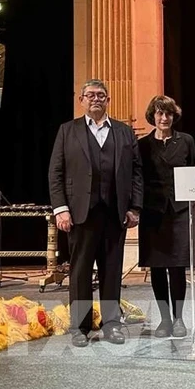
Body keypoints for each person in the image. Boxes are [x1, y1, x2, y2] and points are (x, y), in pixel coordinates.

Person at [48, 79, 143, 347]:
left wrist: (135, 207)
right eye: (90, 95)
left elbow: (136, 173)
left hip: (115, 213)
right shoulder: (68, 131)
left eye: (101, 95)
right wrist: (61, 209)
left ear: (108, 100)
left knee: (112, 270)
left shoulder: (124, 132)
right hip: (80, 214)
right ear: (81, 100)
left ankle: (112, 323)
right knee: (80, 271)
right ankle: (80, 326)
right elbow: (56, 172)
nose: (96, 99)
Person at [138, 95, 195, 338]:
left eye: (168, 114)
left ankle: (180, 319)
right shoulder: (141, 145)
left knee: (177, 267)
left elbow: (194, 172)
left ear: (174, 116)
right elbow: (137, 179)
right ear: (153, 116)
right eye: (160, 113)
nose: (164, 118)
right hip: (152, 213)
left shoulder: (187, 141)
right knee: (157, 267)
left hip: (179, 211)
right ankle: (164, 319)